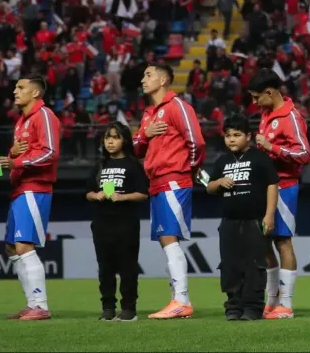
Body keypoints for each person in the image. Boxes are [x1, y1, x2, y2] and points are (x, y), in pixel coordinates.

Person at [134, 64, 207, 320]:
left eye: (148, 74)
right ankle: (178, 298)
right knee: (166, 240)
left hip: (174, 179)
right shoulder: (148, 114)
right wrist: (145, 134)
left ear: (163, 79)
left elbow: (196, 141)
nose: (143, 79)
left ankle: (181, 300)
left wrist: (188, 168)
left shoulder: (178, 106)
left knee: (169, 238)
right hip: (156, 181)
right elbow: (135, 146)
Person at [246, 71, 310, 320]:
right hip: (265, 187)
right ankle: (272, 301)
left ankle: (286, 304)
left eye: (256, 97)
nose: (254, 102)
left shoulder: (291, 117)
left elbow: (304, 154)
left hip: (284, 185)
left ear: (270, 92)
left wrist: (272, 147)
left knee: (283, 241)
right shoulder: (266, 114)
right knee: (264, 242)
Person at [0, 76, 59, 321]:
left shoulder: (43, 115)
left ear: (35, 93)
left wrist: (17, 162)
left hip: (35, 187)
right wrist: (11, 155)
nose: (15, 91)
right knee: (11, 247)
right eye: (15, 87)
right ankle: (31, 303)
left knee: (23, 245)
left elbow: (50, 152)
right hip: (20, 188)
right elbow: (21, 155)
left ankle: (40, 305)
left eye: (20, 87)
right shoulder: (21, 121)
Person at [209, 114, 278, 322]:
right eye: (228, 135)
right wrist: (218, 182)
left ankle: (253, 308)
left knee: (255, 265)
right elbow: (209, 187)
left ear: (248, 136)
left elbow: (272, 185)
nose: (231, 139)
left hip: (254, 220)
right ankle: (233, 307)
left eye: (237, 135)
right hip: (229, 221)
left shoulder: (259, 158)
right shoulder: (222, 161)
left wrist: (269, 215)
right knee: (230, 266)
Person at [86, 122, 148, 321]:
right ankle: (108, 307)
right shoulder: (100, 165)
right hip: (102, 223)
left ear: (125, 140)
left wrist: (123, 197)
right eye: (107, 137)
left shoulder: (133, 166)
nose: (110, 142)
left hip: (126, 224)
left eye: (115, 137)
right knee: (105, 268)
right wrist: (96, 195)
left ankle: (129, 308)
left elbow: (143, 194)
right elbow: (88, 192)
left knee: (128, 267)